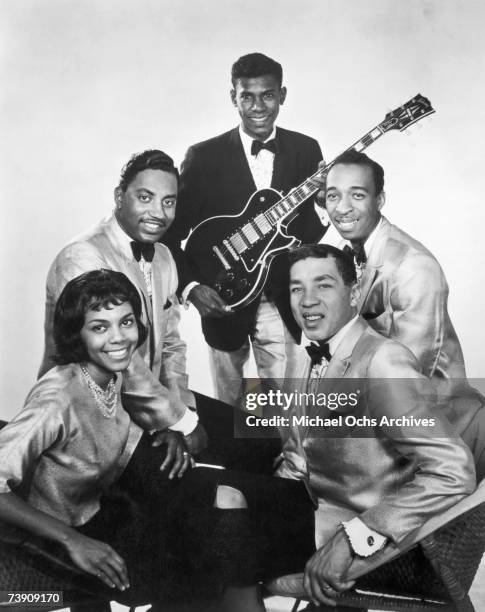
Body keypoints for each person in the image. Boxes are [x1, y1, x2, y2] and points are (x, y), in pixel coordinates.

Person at [0, 270, 315, 612]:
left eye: (126, 322)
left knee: (236, 500)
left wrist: (165, 430)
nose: (118, 338)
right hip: (64, 538)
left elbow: (118, 421)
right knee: (208, 542)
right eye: (99, 327)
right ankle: (256, 589)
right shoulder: (56, 397)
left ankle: (271, 583)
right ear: (77, 334)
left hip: (108, 506)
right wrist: (73, 541)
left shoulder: (109, 373)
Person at [39, 149, 280, 472]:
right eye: (145, 197)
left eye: (168, 202)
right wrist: (177, 422)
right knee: (206, 502)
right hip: (93, 418)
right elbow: (119, 361)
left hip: (152, 402)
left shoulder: (165, 257)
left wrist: (180, 409)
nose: (158, 213)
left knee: (265, 441)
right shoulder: (82, 257)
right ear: (119, 197)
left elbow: (171, 344)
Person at [274, 244, 476, 607]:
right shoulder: (310, 352)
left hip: (372, 529)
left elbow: (453, 471)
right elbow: (305, 451)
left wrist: (356, 536)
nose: (306, 301)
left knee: (227, 545)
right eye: (296, 288)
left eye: (323, 285)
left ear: (354, 293)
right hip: (314, 505)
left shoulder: (383, 359)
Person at [163, 52, 327, 406]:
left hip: (281, 297)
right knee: (229, 408)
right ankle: (240, 464)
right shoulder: (203, 157)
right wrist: (191, 288)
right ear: (232, 97)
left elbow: (308, 233)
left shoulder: (305, 148)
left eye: (267, 95)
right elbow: (170, 236)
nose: (257, 106)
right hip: (223, 299)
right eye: (246, 96)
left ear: (282, 95)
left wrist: (325, 206)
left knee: (287, 405)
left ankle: (289, 462)